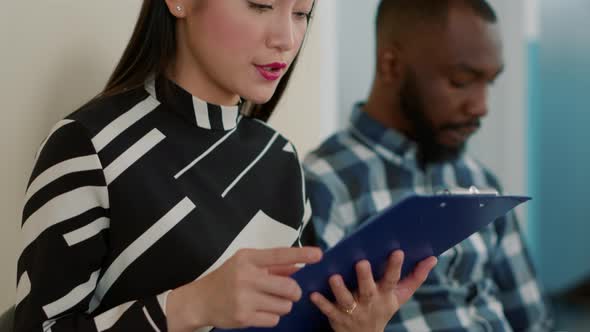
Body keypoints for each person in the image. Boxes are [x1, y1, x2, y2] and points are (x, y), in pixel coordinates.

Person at [14, 1, 436, 331]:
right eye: (260, 5)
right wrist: (192, 305)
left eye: (302, 13)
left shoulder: (281, 160)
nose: (287, 38)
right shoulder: (89, 145)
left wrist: (356, 326)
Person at [304, 0, 553, 330]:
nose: (481, 107)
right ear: (391, 66)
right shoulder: (325, 185)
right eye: (461, 81)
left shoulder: (479, 179)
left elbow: (535, 321)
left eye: (489, 82)